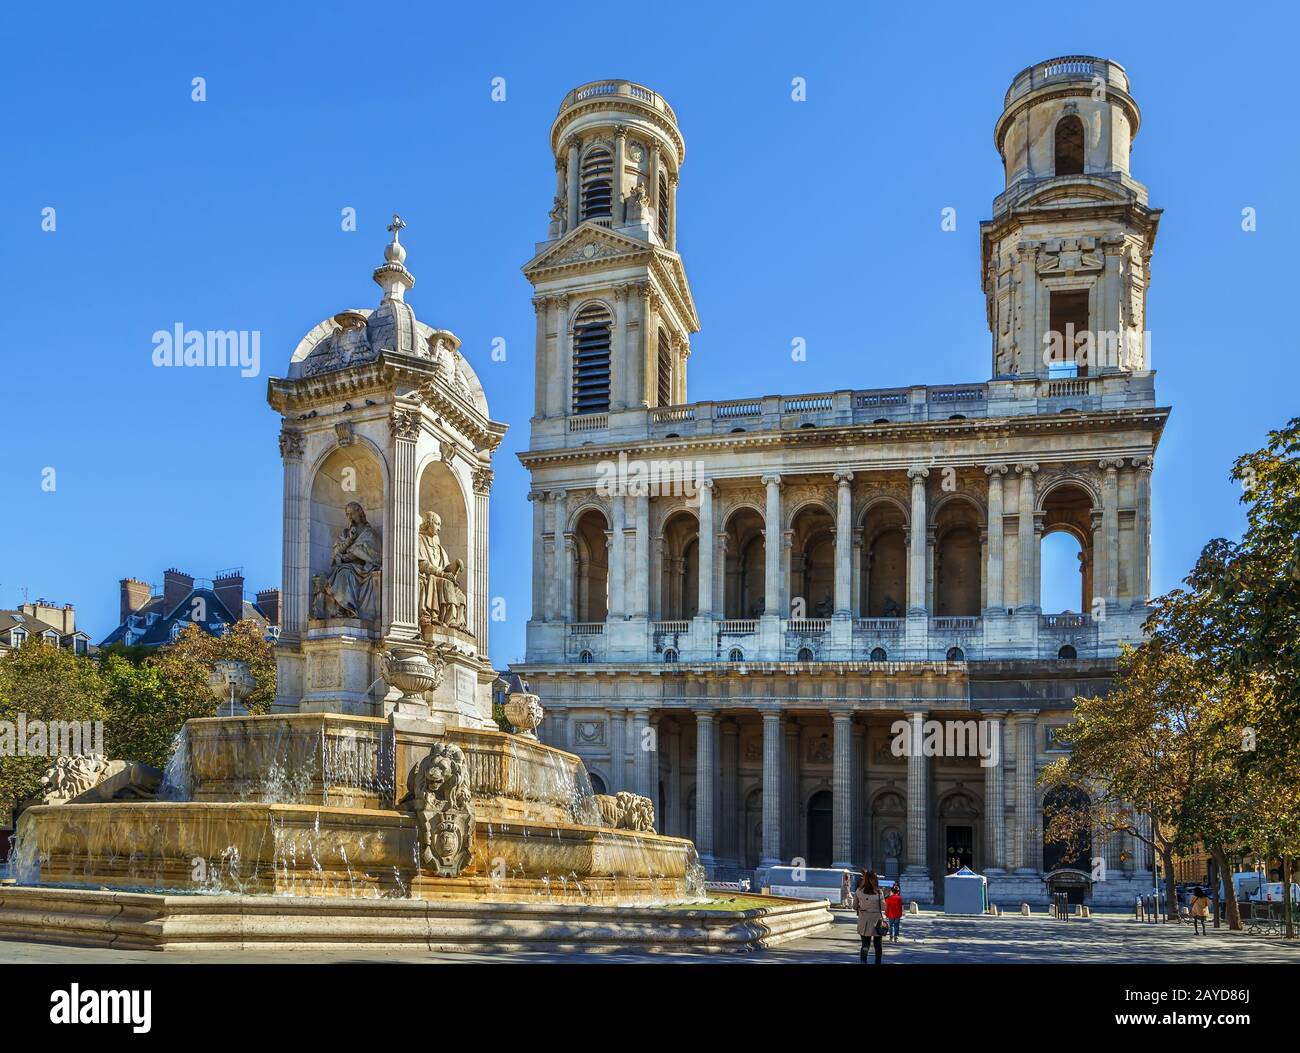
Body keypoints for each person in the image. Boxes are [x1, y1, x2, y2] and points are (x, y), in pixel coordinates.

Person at [853, 870, 887, 964]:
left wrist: (862, 907)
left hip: (864, 920)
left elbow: (854, 906)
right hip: (877, 920)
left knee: (865, 945)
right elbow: (884, 907)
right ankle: (878, 962)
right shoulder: (879, 892)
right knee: (878, 946)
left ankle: (863, 962)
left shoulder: (859, 891)